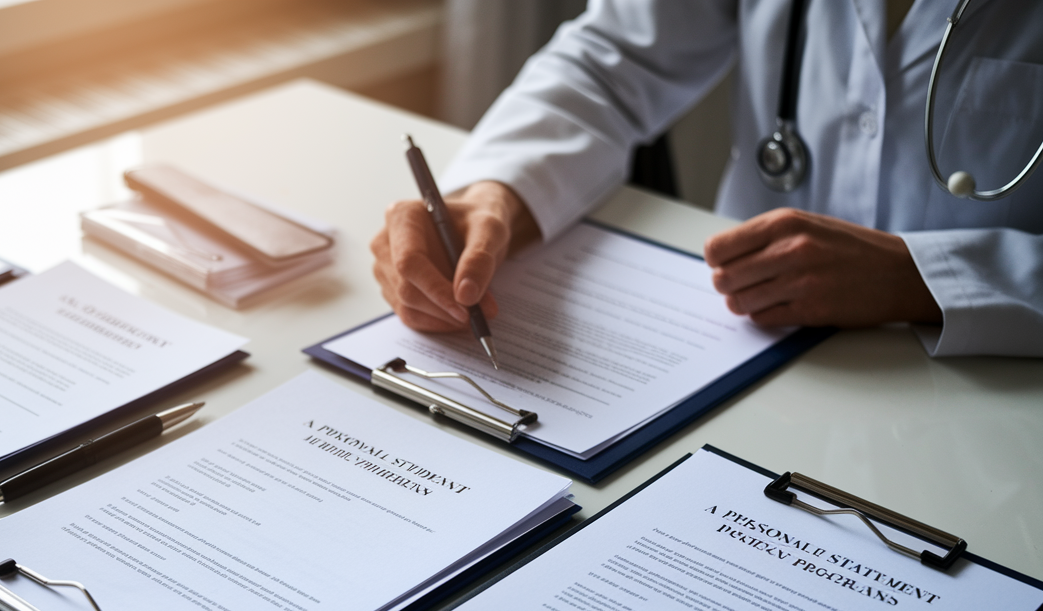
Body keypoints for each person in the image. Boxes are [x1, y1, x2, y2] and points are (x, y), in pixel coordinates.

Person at [371, 0, 1043, 357]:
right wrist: (493, 195)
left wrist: (925, 278)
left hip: (992, 400)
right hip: (744, 350)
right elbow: (611, 61)